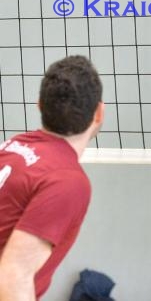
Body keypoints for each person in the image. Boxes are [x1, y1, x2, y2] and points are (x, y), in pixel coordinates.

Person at [0, 55, 104, 300]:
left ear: (39, 105)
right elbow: (13, 276)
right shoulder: (67, 181)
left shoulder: (10, 148)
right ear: (99, 113)